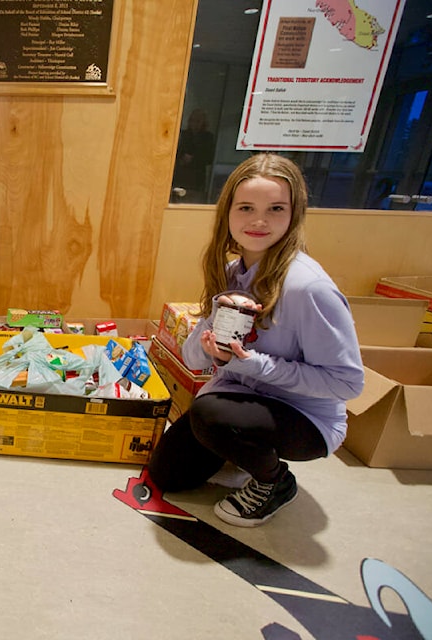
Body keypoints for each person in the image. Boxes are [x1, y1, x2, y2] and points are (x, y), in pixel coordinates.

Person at [148, 153, 364, 527]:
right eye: (246, 207)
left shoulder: (308, 289)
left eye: (276, 208)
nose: (259, 221)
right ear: (227, 212)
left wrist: (252, 364)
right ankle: (241, 451)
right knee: (168, 475)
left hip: (305, 419)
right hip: (241, 401)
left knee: (210, 414)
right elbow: (193, 359)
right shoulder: (234, 271)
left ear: (293, 214)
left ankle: (274, 482)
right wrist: (208, 342)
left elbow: (347, 382)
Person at [172, 108, 216, 203]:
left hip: (196, 180)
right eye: (192, 120)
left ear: (203, 123)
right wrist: (181, 159)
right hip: (179, 177)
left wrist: (193, 159)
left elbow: (209, 158)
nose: (194, 124)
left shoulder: (207, 138)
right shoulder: (183, 135)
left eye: (198, 121)